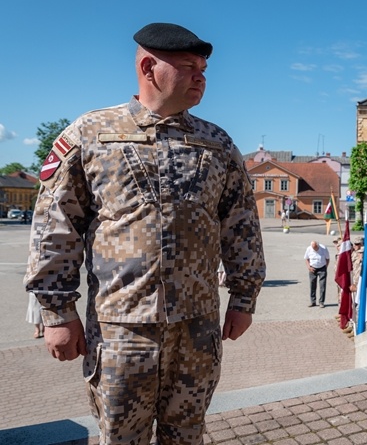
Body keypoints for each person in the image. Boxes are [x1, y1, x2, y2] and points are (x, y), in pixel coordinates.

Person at [23, 22, 266, 445]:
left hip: (196, 329)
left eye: (204, 68)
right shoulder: (92, 134)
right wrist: (57, 313)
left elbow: (241, 224)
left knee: (188, 435)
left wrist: (244, 298)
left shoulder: (216, 142)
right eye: (189, 66)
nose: (201, 76)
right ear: (149, 66)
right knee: (120, 437)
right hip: (122, 333)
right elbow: (54, 226)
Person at [304, 241, 330, 308]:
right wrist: (309, 267)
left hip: (322, 268)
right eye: (313, 248)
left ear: (318, 246)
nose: (314, 249)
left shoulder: (323, 248)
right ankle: (313, 301)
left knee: (322, 286)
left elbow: (327, 259)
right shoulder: (309, 249)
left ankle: (321, 302)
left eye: (315, 248)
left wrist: (325, 267)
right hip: (312, 268)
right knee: (312, 285)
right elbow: (306, 259)